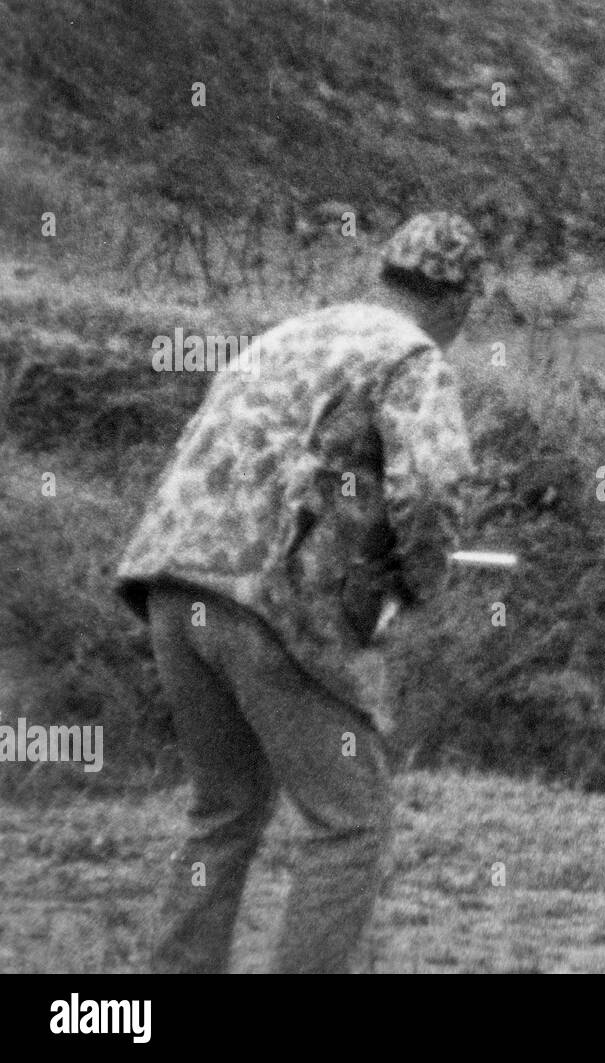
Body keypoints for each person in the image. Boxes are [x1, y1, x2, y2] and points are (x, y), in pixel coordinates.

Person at [115, 212, 487, 973]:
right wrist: (420, 585)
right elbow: (432, 489)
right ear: (458, 303)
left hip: (171, 584)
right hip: (268, 604)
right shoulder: (410, 356)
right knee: (350, 821)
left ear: (383, 276)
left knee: (224, 810)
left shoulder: (287, 336)